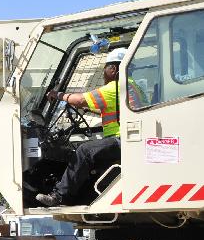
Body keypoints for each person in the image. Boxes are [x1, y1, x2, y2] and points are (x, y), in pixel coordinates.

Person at [36, 48, 146, 207]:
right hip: (131, 140)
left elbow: (80, 100)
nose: (104, 74)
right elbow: (116, 108)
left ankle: (59, 196)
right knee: (91, 151)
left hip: (121, 140)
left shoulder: (116, 86)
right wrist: (90, 109)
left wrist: (58, 95)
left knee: (84, 151)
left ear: (113, 69)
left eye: (105, 69)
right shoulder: (134, 87)